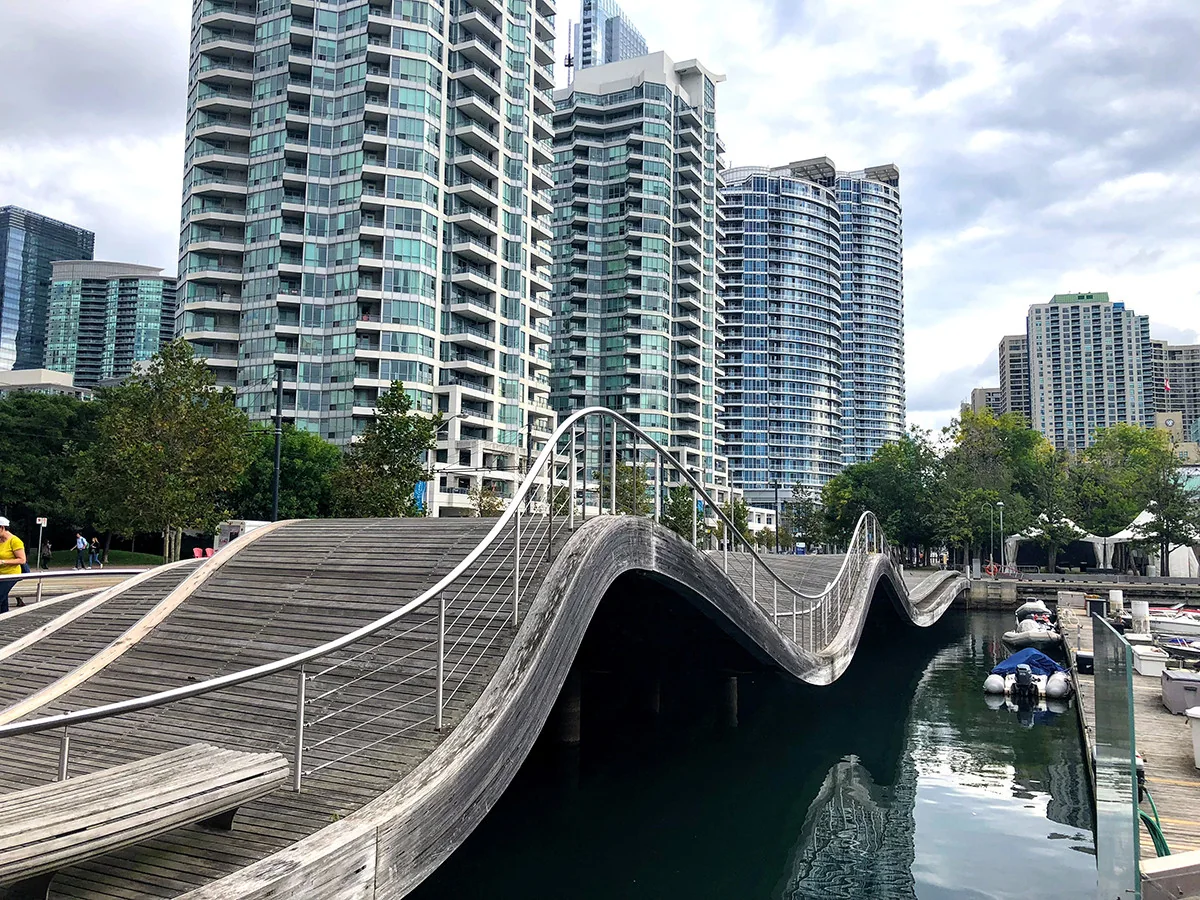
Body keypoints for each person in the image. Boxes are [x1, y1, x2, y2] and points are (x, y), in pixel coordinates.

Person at [0, 518, 27, 614]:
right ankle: (5, 618)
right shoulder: (0, 540)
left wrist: (3, 562)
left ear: (2, 528)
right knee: (3, 600)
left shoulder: (15, 541)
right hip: (1, 574)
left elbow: (22, 560)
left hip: (11, 575)